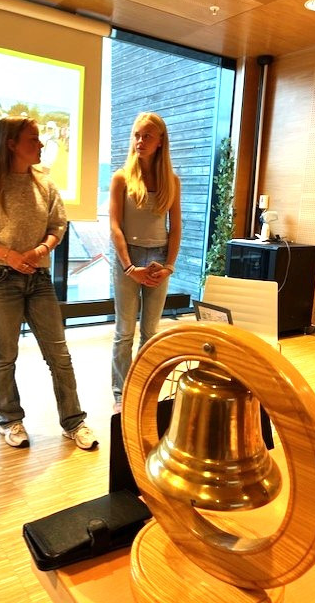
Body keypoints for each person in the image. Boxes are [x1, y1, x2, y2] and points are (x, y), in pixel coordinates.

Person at [0, 116, 98, 450]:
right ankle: (10, 420)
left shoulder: (45, 184)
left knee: (59, 354)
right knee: (6, 356)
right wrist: (10, 256)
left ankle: (74, 422)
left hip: (39, 279)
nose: (41, 144)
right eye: (33, 139)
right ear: (11, 144)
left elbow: (58, 225)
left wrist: (40, 250)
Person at [109, 112, 181, 413]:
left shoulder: (171, 181)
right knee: (125, 331)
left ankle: (144, 389)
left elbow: (175, 228)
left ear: (160, 141)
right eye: (137, 135)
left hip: (158, 259)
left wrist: (169, 266)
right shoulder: (121, 177)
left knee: (151, 332)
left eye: (147, 136)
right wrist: (129, 267)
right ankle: (121, 393)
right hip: (129, 258)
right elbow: (115, 226)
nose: (140, 141)